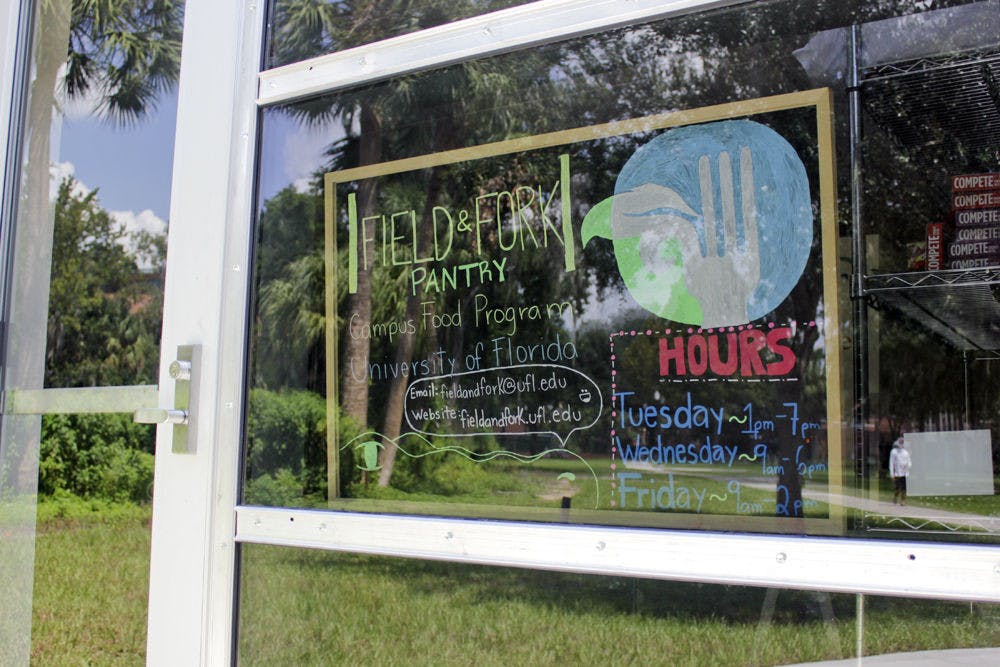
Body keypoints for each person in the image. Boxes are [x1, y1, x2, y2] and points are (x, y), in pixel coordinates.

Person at [889, 436, 912, 506]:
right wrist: (892, 473)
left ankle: (903, 500)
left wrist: (908, 465)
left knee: (904, 488)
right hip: (897, 473)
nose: (901, 444)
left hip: (905, 473)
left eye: (902, 442)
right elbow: (891, 463)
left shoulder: (906, 452)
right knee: (897, 488)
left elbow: (909, 461)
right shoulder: (894, 452)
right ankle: (895, 497)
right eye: (900, 442)